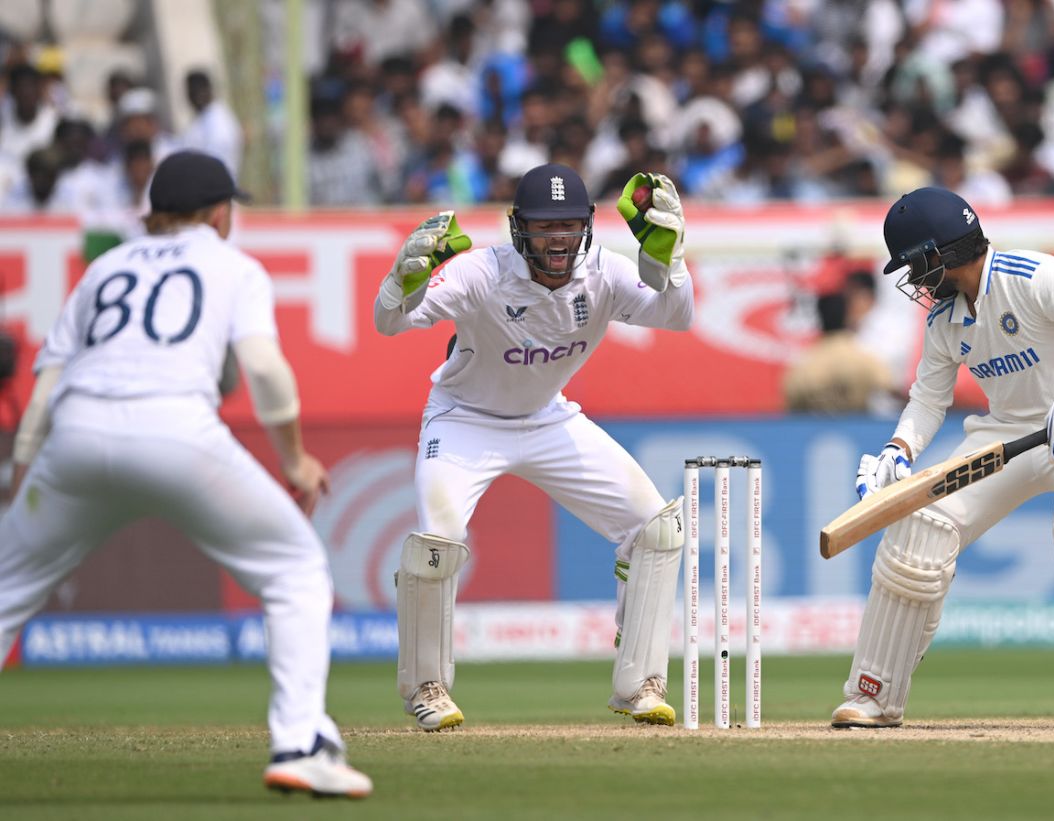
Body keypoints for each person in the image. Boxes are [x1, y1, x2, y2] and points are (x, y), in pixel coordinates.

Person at [0, 151, 372, 797]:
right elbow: (264, 368)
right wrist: (294, 460)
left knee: (7, 588)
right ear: (221, 213)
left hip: (75, 434)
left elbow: (42, 392)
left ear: (155, 214)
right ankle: (299, 742)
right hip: (174, 428)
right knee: (295, 570)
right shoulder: (233, 265)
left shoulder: (104, 266)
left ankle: (304, 740)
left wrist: (23, 481)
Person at [373, 163, 693, 731]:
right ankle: (426, 686)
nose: (559, 240)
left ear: (588, 226)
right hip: (464, 420)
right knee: (436, 545)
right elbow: (389, 323)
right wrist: (401, 277)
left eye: (569, 226)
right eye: (546, 227)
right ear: (518, 227)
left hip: (548, 419)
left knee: (658, 528)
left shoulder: (605, 274)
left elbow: (675, 315)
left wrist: (671, 260)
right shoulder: (481, 273)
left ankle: (639, 682)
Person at [831, 187, 1054, 729]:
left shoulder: (1032, 275)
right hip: (1005, 433)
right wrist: (896, 450)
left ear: (940, 253)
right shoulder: (944, 320)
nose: (911, 278)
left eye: (913, 264)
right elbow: (928, 399)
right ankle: (874, 694)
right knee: (920, 529)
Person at [782, 269, 896, 414]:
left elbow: (792, 406)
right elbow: (890, 387)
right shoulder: (864, 357)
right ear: (845, 314)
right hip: (861, 429)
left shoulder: (802, 365)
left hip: (815, 430)